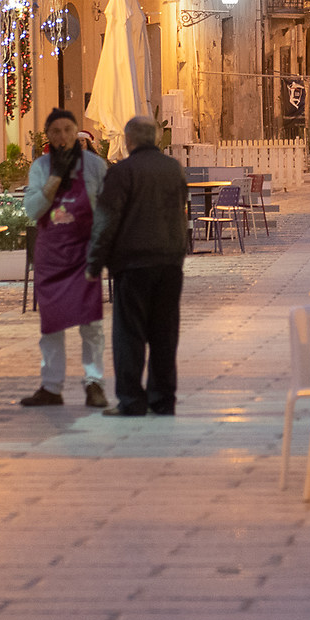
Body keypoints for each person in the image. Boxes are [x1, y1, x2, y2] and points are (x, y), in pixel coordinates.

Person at [86, 115, 190, 417]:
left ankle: (132, 400)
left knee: (130, 334)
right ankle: (163, 398)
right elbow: (182, 212)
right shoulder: (173, 169)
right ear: (155, 138)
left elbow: (105, 221)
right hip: (169, 262)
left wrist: (94, 263)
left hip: (133, 264)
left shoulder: (122, 172)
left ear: (129, 141)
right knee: (164, 333)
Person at [17, 109, 108, 408]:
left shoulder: (95, 166)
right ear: (48, 136)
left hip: (84, 255)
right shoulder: (41, 167)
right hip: (52, 257)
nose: (63, 136)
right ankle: (51, 386)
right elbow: (32, 210)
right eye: (56, 131)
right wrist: (54, 180)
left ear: (77, 131)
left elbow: (106, 209)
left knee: (91, 323)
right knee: (51, 323)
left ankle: (94, 382)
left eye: (68, 129)